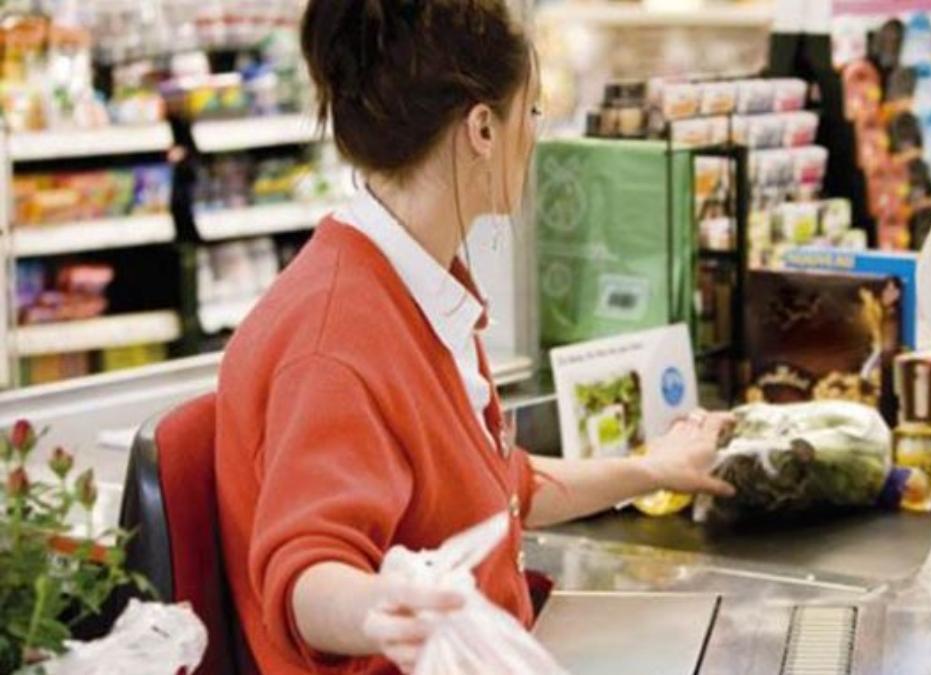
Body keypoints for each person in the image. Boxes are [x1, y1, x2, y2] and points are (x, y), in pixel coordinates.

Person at [213, 1, 735, 673]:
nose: (535, 134)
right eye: (533, 111)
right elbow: (309, 573)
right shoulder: (333, 342)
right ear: (483, 128)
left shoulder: (414, 286)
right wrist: (385, 605)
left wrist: (651, 469)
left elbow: (500, 485)